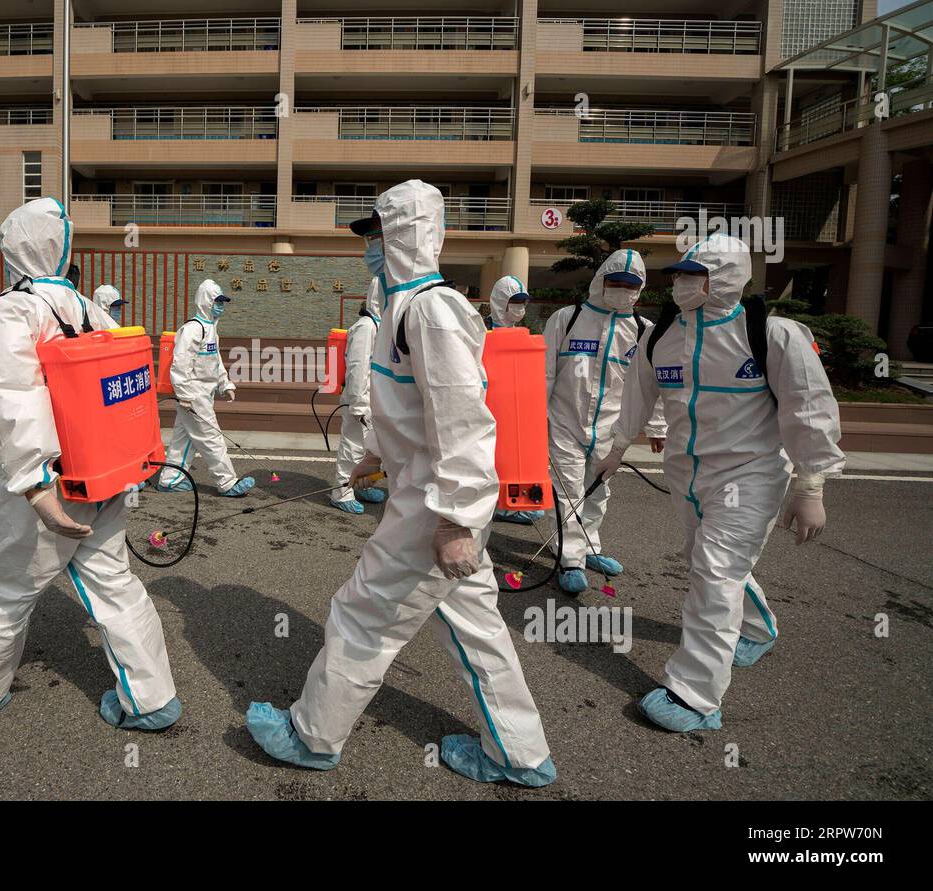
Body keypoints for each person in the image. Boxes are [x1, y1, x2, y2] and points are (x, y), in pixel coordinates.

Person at [245, 180, 556, 787]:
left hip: (434, 505)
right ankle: (520, 753)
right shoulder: (402, 308)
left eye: (377, 236)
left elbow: (463, 421)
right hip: (428, 492)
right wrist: (375, 459)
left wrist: (456, 520)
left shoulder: (431, 311)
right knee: (476, 625)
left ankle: (312, 735)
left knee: (364, 615)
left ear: (405, 237)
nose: (368, 249)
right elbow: (413, 411)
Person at [0, 198, 181, 727]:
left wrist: (35, 486)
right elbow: (126, 393)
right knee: (114, 582)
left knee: (2, 587)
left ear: (14, 250)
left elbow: (14, 397)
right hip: (106, 474)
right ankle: (153, 701)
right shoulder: (93, 310)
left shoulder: (14, 308)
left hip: (47, 479)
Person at [600, 234, 844, 732]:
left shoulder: (772, 335)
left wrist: (811, 482)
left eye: (696, 275)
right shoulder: (661, 335)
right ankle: (757, 627)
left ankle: (695, 694)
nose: (682, 285)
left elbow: (809, 408)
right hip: (687, 474)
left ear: (728, 277)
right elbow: (637, 397)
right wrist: (617, 447)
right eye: (680, 275)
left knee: (713, 571)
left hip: (749, 474)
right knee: (706, 562)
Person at [543, 249, 666, 594]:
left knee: (599, 489)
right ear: (601, 281)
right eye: (616, 282)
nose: (623, 290)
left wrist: (657, 427)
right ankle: (569, 558)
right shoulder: (566, 319)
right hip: (564, 422)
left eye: (631, 285)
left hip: (611, 428)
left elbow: (652, 385)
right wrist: (537, 418)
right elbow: (545, 375)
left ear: (640, 289)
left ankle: (590, 545)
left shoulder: (644, 331)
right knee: (567, 490)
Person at [154, 278, 254, 497]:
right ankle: (227, 482)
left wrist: (225, 383)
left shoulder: (210, 330)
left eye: (222, 302)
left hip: (203, 395)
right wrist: (185, 396)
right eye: (217, 301)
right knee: (211, 438)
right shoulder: (192, 329)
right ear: (206, 301)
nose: (221, 306)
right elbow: (180, 365)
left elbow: (215, 361)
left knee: (184, 438)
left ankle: (170, 479)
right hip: (194, 395)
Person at [486, 274, 545, 527]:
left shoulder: (522, 334)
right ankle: (488, 507)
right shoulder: (482, 331)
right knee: (488, 458)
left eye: (523, 302)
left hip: (514, 406)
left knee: (510, 459)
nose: (520, 308)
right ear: (501, 301)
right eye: (515, 301)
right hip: (488, 404)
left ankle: (508, 506)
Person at [330, 276, 386, 514]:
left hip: (374, 401)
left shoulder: (381, 326)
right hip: (359, 402)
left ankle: (363, 484)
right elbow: (358, 367)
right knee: (353, 447)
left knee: (371, 450)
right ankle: (341, 491)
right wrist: (358, 405)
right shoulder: (365, 327)